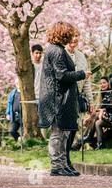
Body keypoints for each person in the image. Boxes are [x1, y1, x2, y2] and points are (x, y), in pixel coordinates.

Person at [38, 22, 91, 176]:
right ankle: (57, 166)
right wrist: (82, 74)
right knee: (58, 133)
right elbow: (61, 75)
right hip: (56, 100)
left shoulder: (57, 50)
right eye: (68, 33)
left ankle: (62, 164)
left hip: (61, 99)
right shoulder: (56, 51)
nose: (70, 36)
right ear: (62, 33)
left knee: (64, 133)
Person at [64, 28, 94, 175]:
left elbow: (86, 81)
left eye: (77, 36)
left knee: (73, 129)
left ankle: (67, 160)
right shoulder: (61, 54)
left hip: (76, 96)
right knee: (64, 130)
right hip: (64, 97)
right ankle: (61, 161)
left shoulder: (81, 56)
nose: (74, 39)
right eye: (72, 36)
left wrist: (91, 101)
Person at [95, 76, 112, 150]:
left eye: (104, 83)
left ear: (109, 83)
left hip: (110, 117)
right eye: (101, 83)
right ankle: (100, 144)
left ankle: (86, 139)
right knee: (97, 121)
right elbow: (101, 108)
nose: (102, 85)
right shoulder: (103, 93)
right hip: (108, 116)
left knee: (97, 120)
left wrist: (102, 111)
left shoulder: (110, 92)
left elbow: (106, 107)